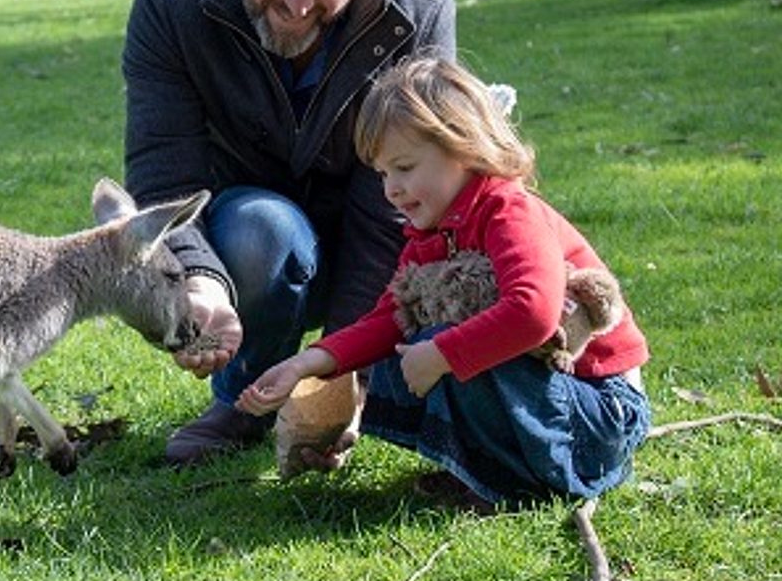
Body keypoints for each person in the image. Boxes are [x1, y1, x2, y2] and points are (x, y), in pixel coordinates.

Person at [121, 0, 457, 466]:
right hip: (245, 239)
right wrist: (200, 278)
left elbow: (396, 206)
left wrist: (340, 368)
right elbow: (163, 170)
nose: (300, 5)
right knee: (265, 231)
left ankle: (339, 397)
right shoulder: (172, 0)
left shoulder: (417, 15)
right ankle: (243, 398)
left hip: (371, 242)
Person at [237, 57, 652, 505]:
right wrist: (305, 364)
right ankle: (485, 469)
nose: (391, 189)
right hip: (553, 400)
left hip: (600, 411)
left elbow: (534, 314)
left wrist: (440, 354)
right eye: (382, 173)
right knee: (397, 353)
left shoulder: (507, 210)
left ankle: (519, 480)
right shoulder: (431, 233)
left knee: (441, 342)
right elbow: (388, 321)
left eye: (405, 167)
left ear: (464, 149)